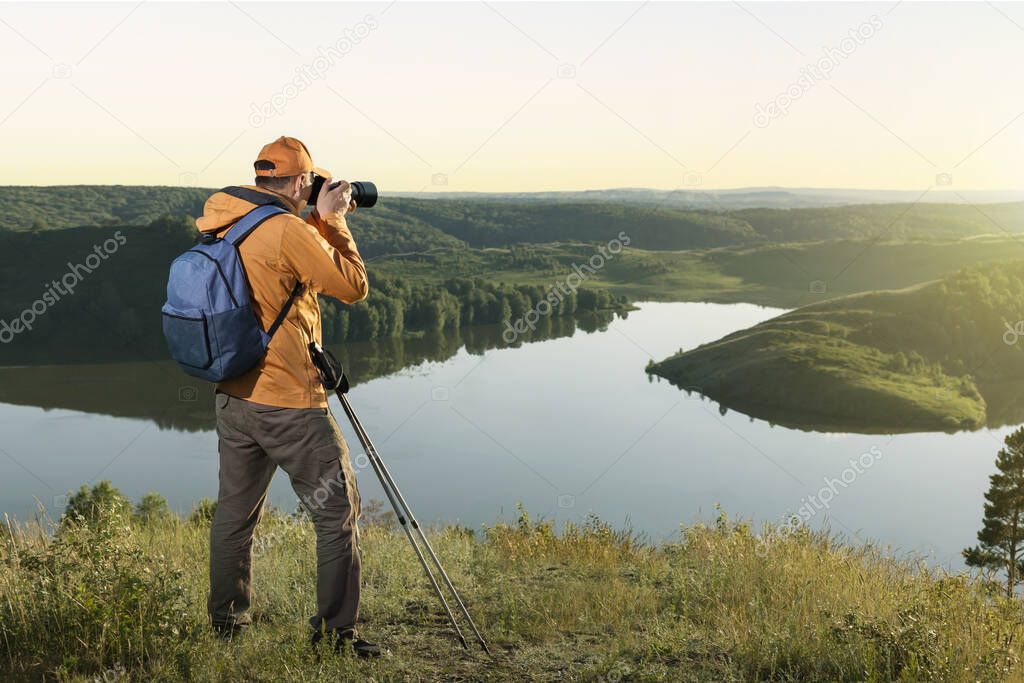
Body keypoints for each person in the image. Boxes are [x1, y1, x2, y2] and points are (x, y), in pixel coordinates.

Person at [197, 136, 384, 658]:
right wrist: (335, 220)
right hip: (290, 404)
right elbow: (351, 286)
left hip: (234, 397)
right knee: (336, 514)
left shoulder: (226, 220)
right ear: (301, 182)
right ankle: (335, 636)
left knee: (234, 516)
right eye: (313, 183)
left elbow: (288, 280)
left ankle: (226, 625)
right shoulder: (286, 230)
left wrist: (316, 222)